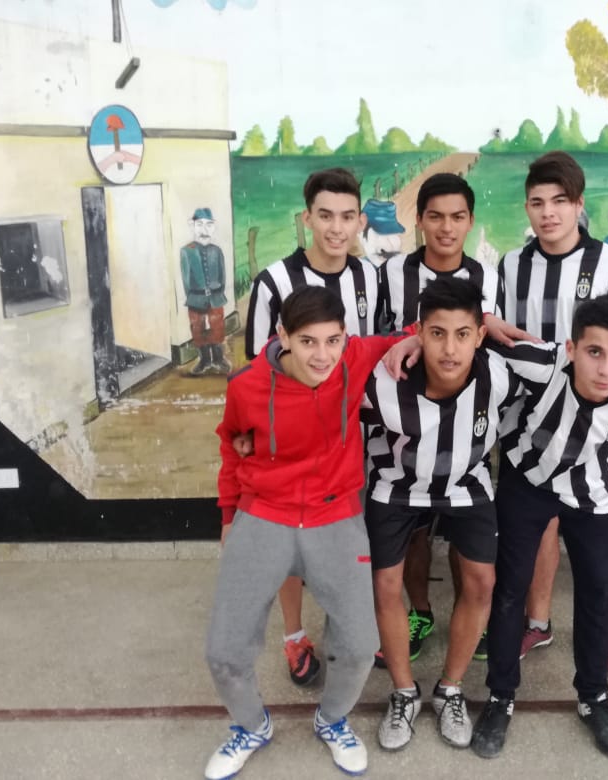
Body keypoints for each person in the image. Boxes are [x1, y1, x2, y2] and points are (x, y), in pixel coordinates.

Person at [203, 286, 413, 780]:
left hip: (335, 515)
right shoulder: (247, 386)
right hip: (264, 513)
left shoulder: (353, 358)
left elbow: (413, 334)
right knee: (223, 652)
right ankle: (251, 727)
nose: (323, 355)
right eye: (308, 341)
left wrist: (415, 338)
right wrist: (230, 517)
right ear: (283, 336)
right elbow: (234, 447)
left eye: (333, 341)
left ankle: (332, 720)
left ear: (345, 337)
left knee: (360, 646)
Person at [470, 295, 608, 759]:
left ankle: (593, 697)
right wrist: (413, 342)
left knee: (596, 590)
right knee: (510, 588)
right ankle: (500, 696)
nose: (606, 369)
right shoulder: (536, 363)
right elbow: (461, 343)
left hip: (592, 490)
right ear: (572, 349)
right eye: (594, 352)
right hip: (527, 481)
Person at [495, 151, 608, 678]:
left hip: (597, 435)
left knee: (593, 551)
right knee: (536, 530)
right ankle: (536, 623)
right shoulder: (510, 268)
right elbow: (497, 339)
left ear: (579, 204)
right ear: (527, 208)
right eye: (537, 203)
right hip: (529, 433)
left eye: (560, 201)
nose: (549, 213)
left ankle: (599, 635)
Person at [364, 277, 520, 751]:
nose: (449, 349)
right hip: (396, 487)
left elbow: (567, 360)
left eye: (462, 334)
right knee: (385, 584)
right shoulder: (384, 379)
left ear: (480, 334)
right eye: (436, 334)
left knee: (482, 582)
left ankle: (450, 689)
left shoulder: (500, 374)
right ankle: (403, 692)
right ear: (419, 333)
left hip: (466, 483)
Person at [242, 167, 380, 687]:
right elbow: (257, 371)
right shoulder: (274, 283)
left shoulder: (370, 277)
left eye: (347, 217)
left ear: (360, 220)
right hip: (292, 446)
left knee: (347, 538)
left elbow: (373, 352)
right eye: (325, 216)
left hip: (351, 443)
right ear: (307, 219)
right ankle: (295, 636)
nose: (336, 228)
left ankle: (349, 628)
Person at [373, 173, 501, 670]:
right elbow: (373, 341)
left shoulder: (487, 275)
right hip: (405, 429)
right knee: (413, 532)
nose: (446, 227)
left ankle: (470, 620)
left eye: (457, 217)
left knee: (462, 523)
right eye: (436, 217)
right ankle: (421, 612)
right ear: (419, 221)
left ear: (470, 221)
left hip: (465, 427)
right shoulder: (391, 273)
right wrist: (409, 337)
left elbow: (486, 340)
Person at [181, 208, 232, 376]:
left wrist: (218, 292)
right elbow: (186, 278)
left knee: (217, 327)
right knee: (197, 328)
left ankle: (218, 358)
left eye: (209, 225)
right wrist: (193, 296)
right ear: (193, 226)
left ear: (213, 227)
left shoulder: (217, 250)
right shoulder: (187, 251)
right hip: (195, 297)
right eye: (200, 224)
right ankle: (204, 360)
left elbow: (222, 275)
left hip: (216, 297)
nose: (204, 229)